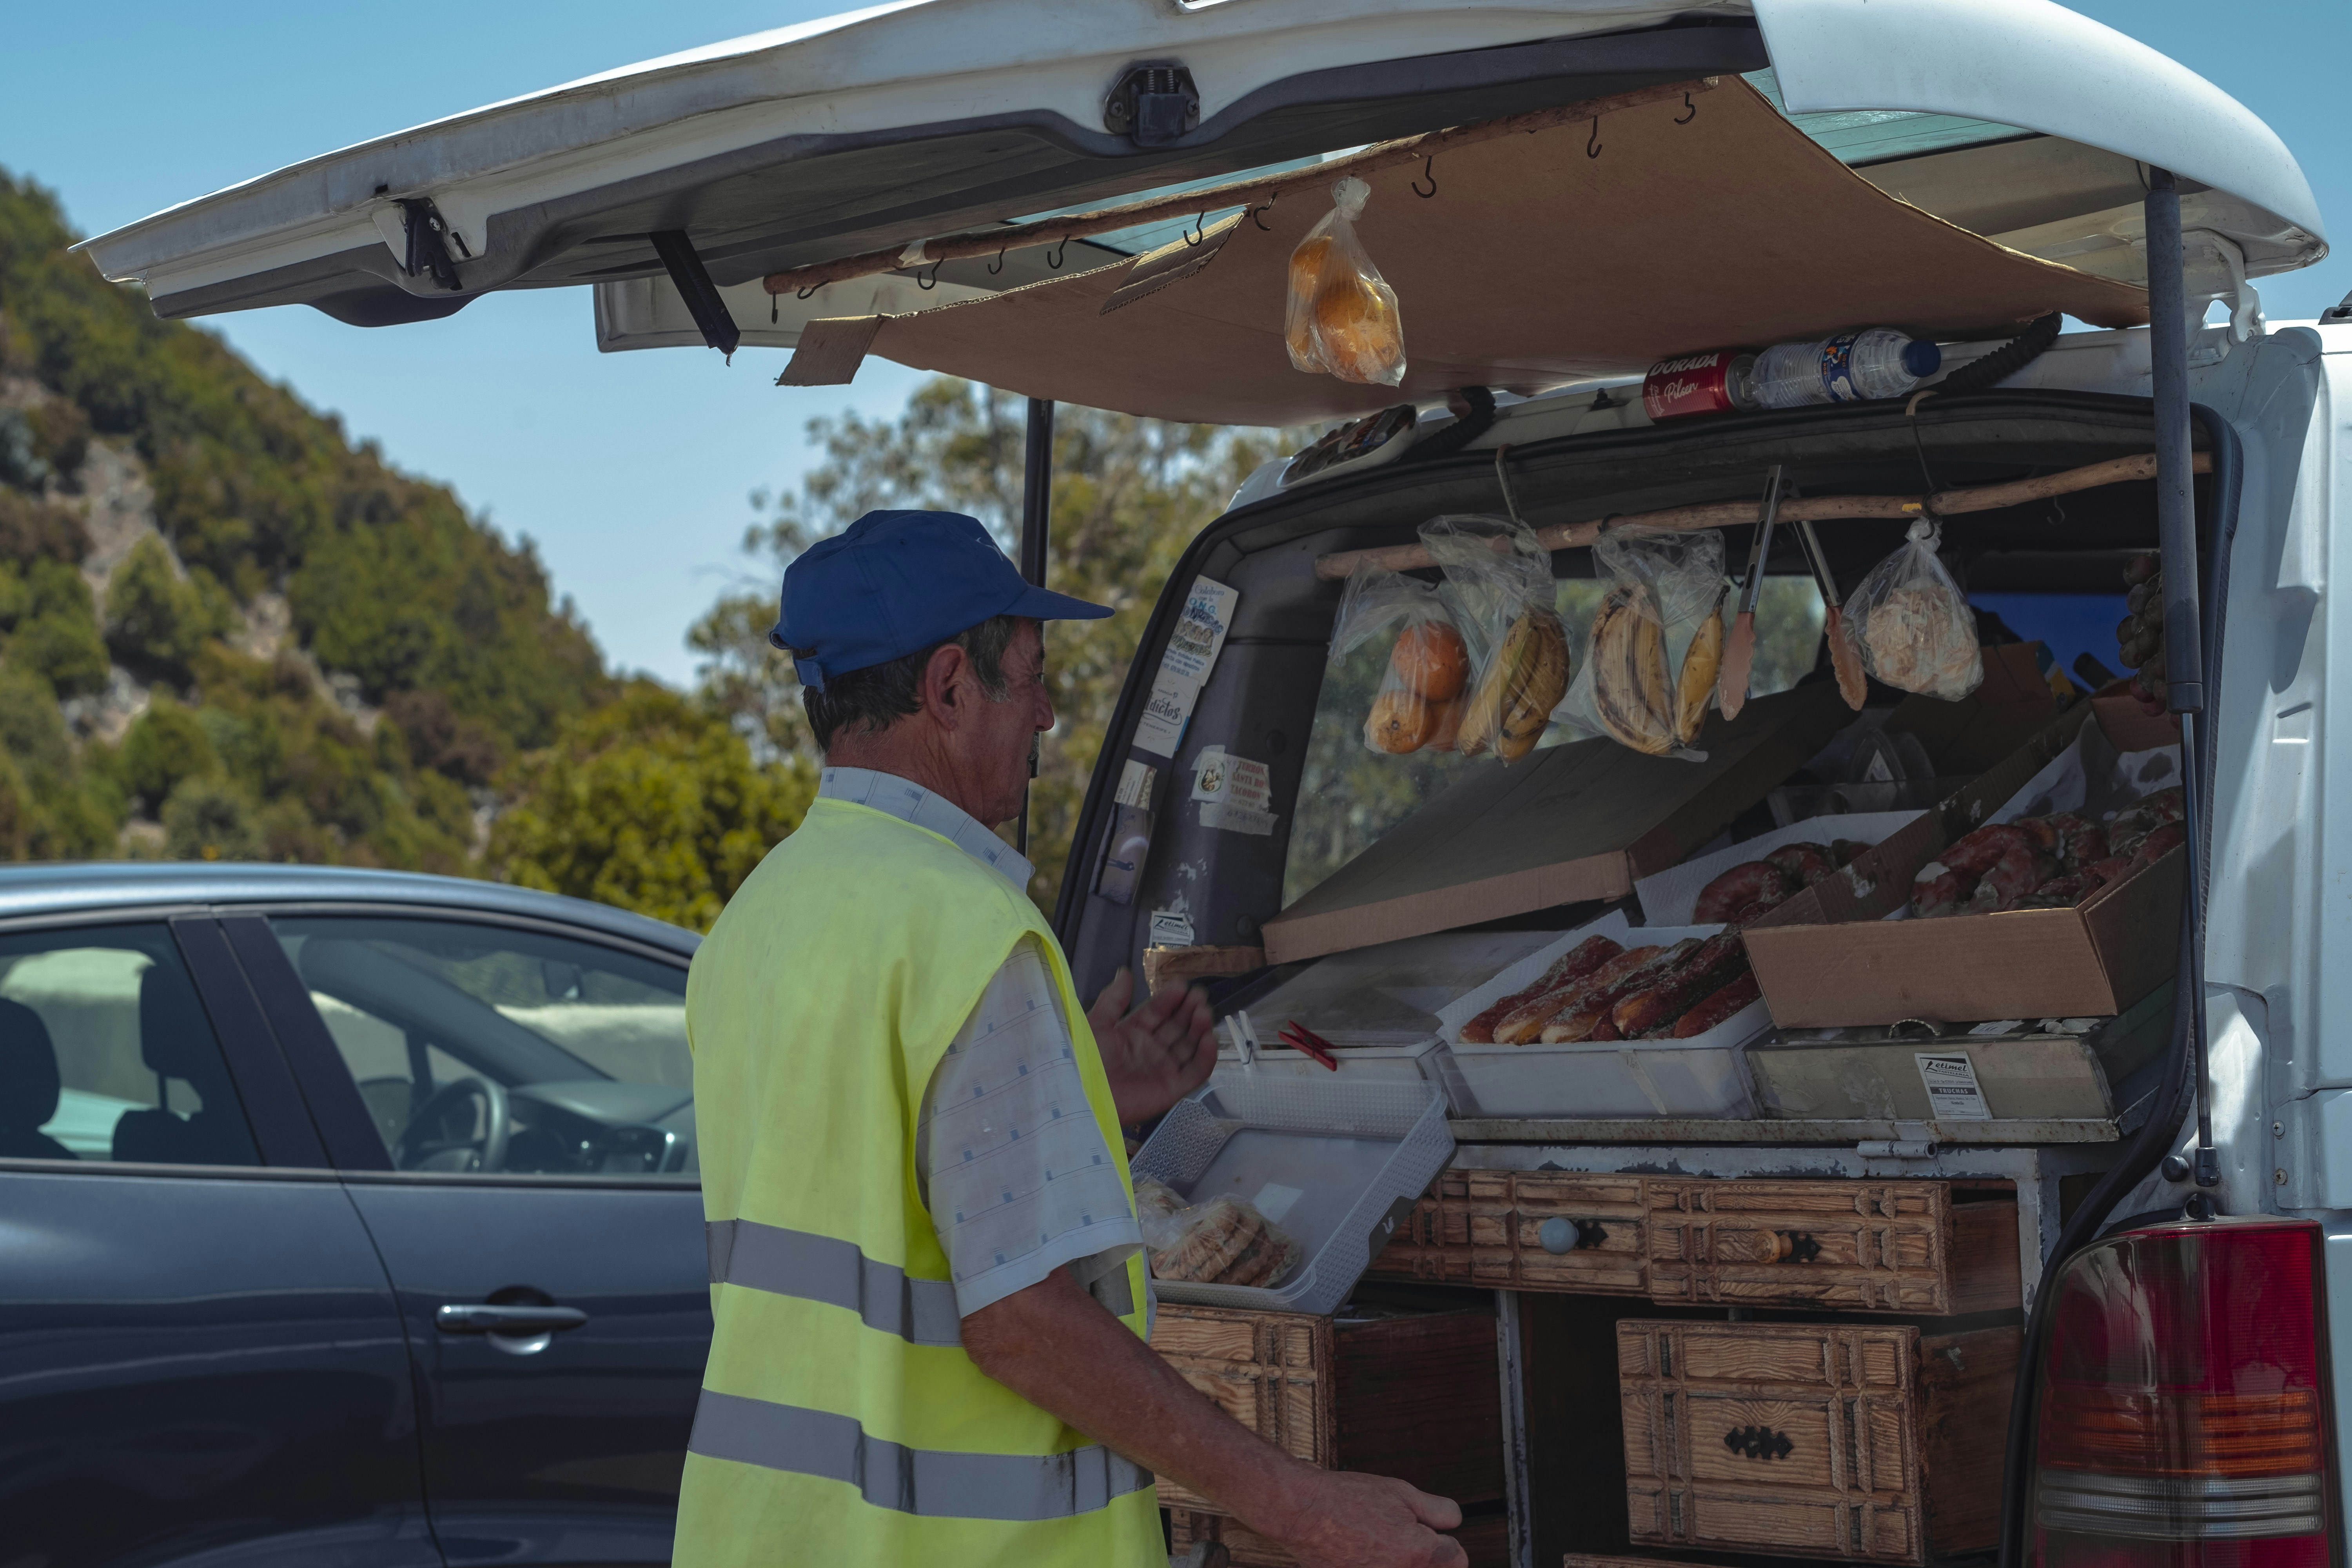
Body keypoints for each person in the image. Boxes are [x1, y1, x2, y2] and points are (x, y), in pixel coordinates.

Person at [672, 510, 1467, 1568]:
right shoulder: (965, 931)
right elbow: (1022, 1324)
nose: (1046, 716)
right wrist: (1302, 1506)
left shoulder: (760, 917)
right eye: (1033, 676)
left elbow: (862, 1168)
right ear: (950, 687)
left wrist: (1076, 1095)